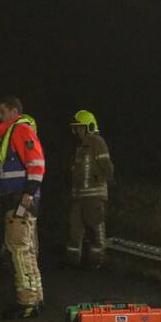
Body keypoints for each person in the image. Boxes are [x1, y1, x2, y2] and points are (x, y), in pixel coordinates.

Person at [0, 97, 45, 318]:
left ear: (14, 111)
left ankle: (26, 303)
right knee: (27, 250)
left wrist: (29, 192)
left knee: (19, 250)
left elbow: (37, 162)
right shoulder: (14, 132)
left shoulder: (20, 130)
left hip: (20, 201)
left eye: (2, 111)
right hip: (18, 200)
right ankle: (35, 298)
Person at [66, 110, 114, 269]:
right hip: (79, 197)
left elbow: (107, 167)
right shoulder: (80, 147)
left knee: (96, 230)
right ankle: (73, 261)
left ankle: (97, 262)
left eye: (80, 127)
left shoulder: (97, 142)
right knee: (75, 230)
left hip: (94, 196)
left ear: (88, 127)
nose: (77, 131)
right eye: (75, 128)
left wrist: (106, 183)